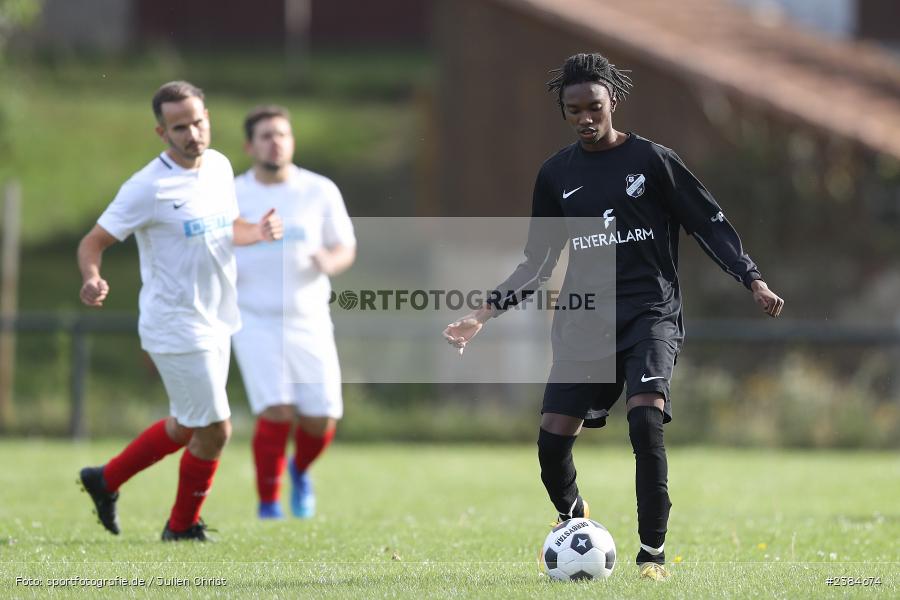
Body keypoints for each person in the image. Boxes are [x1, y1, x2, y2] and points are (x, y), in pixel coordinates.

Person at [442, 53, 784, 580]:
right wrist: (481, 315)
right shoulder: (556, 175)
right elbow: (537, 262)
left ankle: (653, 555)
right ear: (564, 111)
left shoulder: (653, 161)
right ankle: (575, 525)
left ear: (613, 102)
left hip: (650, 313)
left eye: (594, 106)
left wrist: (751, 278)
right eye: (573, 109)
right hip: (584, 322)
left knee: (646, 420)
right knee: (552, 441)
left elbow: (708, 223)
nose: (585, 117)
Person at [77, 81, 283, 541]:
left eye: (198, 121)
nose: (193, 133)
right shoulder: (146, 187)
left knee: (187, 424)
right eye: (180, 127)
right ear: (161, 132)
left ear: (208, 116)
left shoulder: (220, 167)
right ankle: (182, 526)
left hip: (217, 317)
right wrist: (92, 277)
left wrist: (259, 232)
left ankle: (104, 479)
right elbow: (93, 241)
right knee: (217, 429)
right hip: (175, 324)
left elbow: (228, 228)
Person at [232, 105, 356, 520]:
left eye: (282, 134)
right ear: (250, 146)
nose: (276, 141)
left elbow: (345, 246)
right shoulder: (233, 192)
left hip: (309, 318)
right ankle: (268, 503)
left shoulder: (318, 190)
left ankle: (299, 470)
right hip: (254, 317)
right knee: (277, 411)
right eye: (266, 135)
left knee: (321, 417)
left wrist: (329, 261)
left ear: (292, 141)